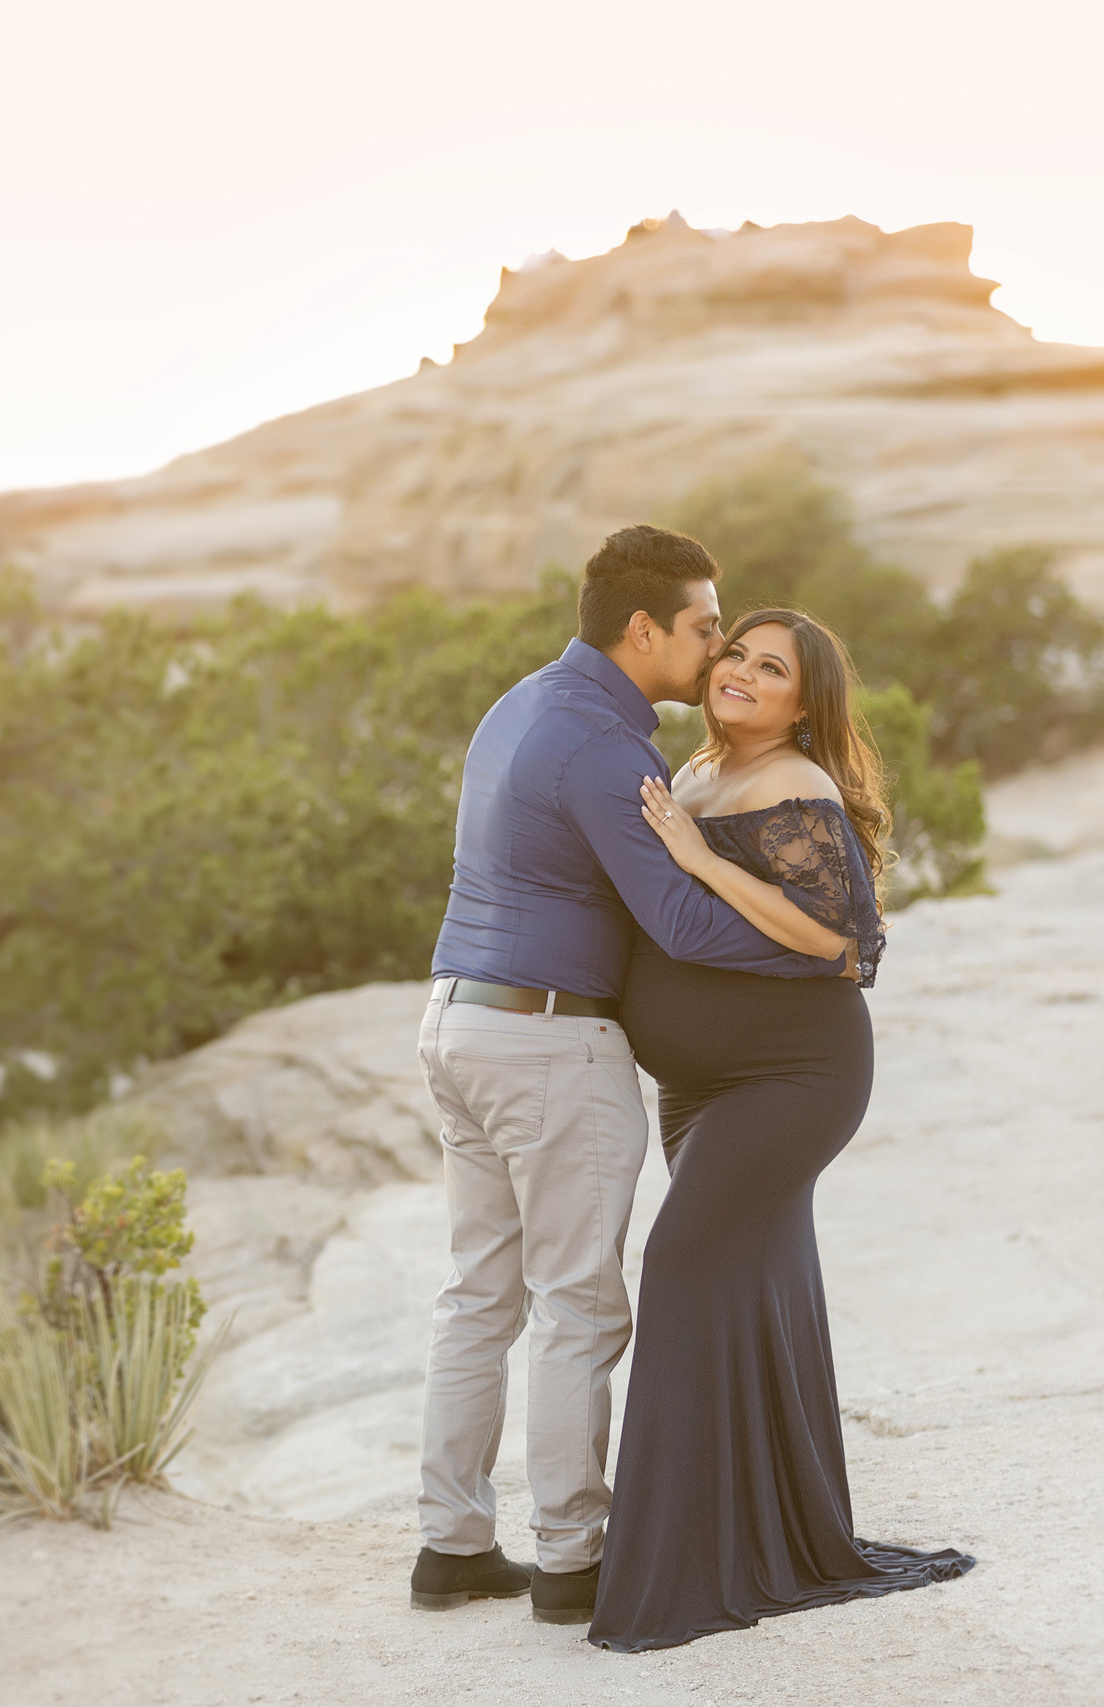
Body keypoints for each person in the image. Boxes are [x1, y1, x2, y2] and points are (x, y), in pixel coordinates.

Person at [412, 530, 848, 1628]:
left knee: (478, 1296)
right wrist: (820, 951)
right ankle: (571, 1559)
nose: (716, 651)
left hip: (458, 1021)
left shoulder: (523, 703)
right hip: (546, 1042)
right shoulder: (609, 750)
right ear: (644, 630)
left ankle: (451, 1545)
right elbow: (682, 925)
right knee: (576, 1303)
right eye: (707, 629)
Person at [586, 608, 975, 1652]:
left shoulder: (794, 783)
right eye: (737, 655)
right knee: (748, 1283)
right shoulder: (701, 771)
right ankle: (769, 1533)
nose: (743, 674)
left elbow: (842, 938)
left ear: (804, 706)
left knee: (681, 1263)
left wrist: (697, 857)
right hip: (704, 1084)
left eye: (772, 669)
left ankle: (674, 1569)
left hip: (794, 1074)